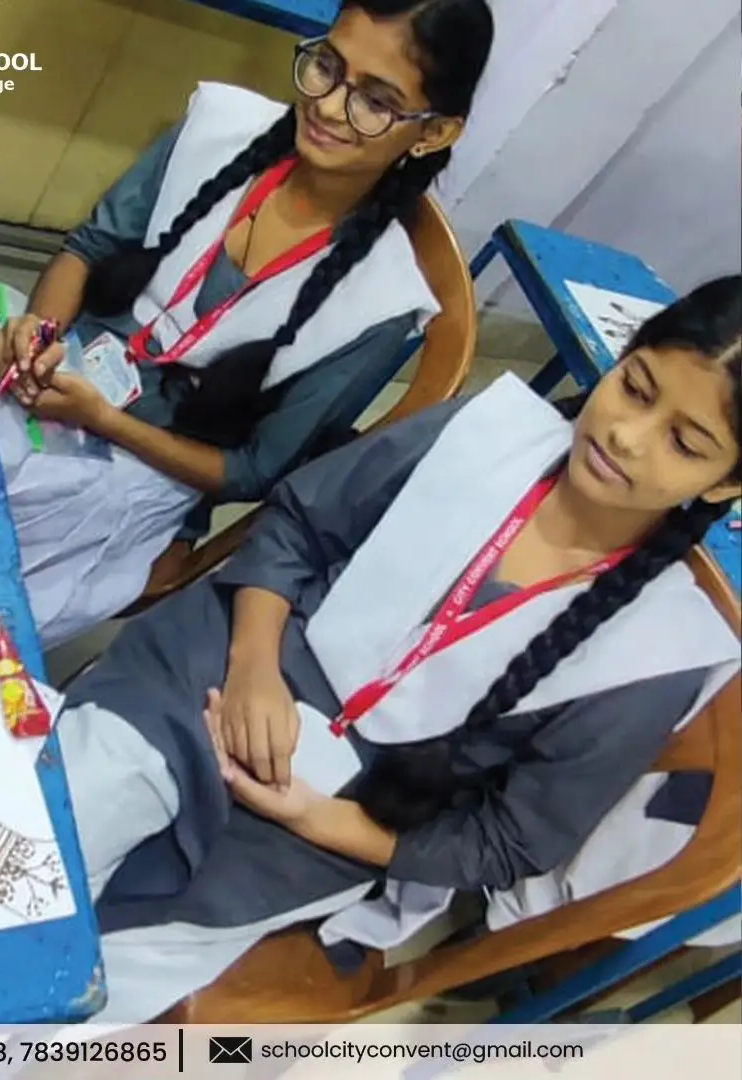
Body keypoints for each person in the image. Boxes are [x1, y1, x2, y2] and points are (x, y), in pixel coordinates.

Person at [52, 276, 742, 1023]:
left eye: (684, 443)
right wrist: (254, 669)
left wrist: (315, 819)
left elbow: (508, 842)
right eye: (635, 388)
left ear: (724, 485)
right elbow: (296, 528)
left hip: (334, 822)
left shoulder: (656, 650)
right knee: (45, 840)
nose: (628, 436)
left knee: (91, 985)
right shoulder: (487, 433)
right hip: (219, 673)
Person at [0, 0, 495, 648]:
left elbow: (253, 470)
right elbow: (88, 249)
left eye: (375, 101)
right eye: (328, 66)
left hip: (149, 464)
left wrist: (104, 420)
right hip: (59, 369)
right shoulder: (217, 130)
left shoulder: (382, 303)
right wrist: (36, 337)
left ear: (433, 132)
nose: (329, 107)